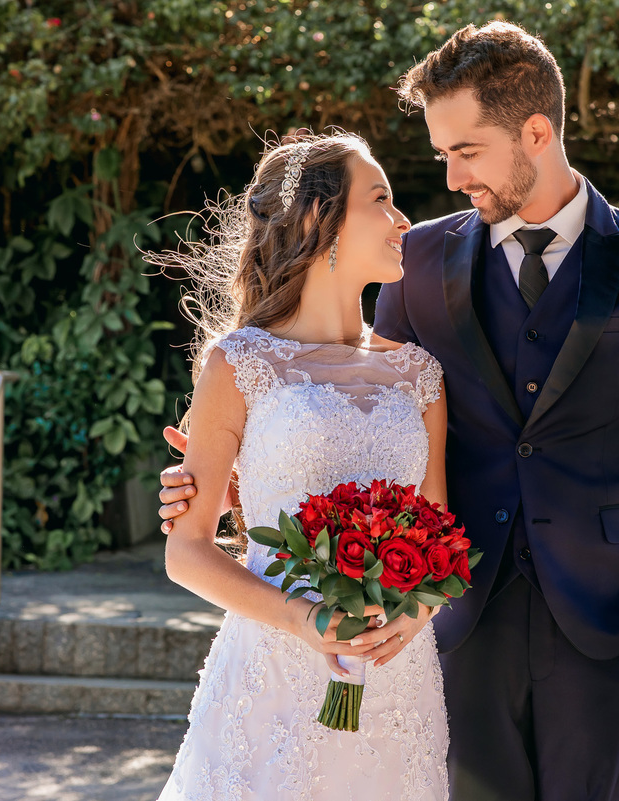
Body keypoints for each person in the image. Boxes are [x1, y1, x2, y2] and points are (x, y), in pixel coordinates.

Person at [161, 21, 619, 801]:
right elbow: (347, 408)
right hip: (455, 629)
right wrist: (239, 482)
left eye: (465, 151)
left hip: (611, 626)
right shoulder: (420, 260)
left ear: (536, 131)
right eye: (440, 156)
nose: (451, 176)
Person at [153, 132, 451, 800]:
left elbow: (441, 540)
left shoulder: (419, 374)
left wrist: (419, 608)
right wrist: (305, 619)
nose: (403, 220)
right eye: (382, 200)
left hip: (395, 680)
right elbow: (187, 552)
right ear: (321, 219)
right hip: (273, 676)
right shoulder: (240, 363)